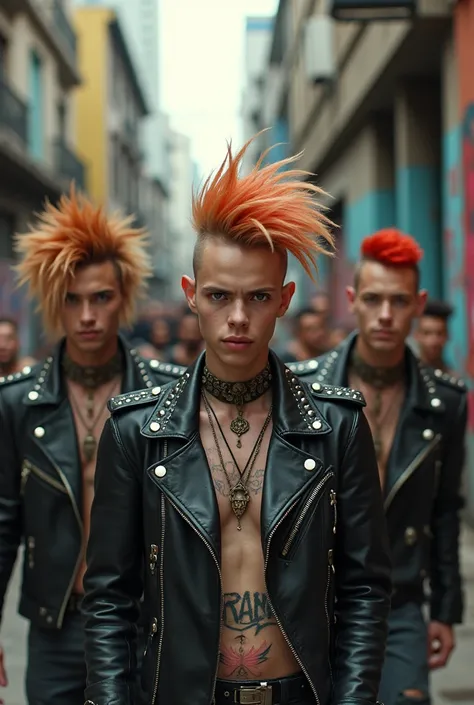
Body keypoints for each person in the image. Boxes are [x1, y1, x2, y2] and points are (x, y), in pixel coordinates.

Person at [82, 138, 392, 705]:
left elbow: (365, 587)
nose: (239, 318)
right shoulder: (135, 433)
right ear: (191, 296)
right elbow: (109, 597)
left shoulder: (337, 425)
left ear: (284, 300)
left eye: (259, 296)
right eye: (220, 296)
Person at [0, 190, 184, 705]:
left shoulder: (167, 397)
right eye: (72, 299)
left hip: (145, 621)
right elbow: (3, 521)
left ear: (123, 296)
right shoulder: (18, 403)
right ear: (51, 301)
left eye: (100, 297)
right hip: (56, 625)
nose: (87, 315)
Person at [289, 228, 467, 705]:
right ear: (352, 299)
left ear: (418, 303)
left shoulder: (444, 402)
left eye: (398, 300)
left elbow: (446, 507)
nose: (385, 315)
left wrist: (446, 610)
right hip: (312, 600)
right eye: (372, 299)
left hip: (400, 600)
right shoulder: (302, 390)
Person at [413, 299, 454, 373]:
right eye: (427, 333)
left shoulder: (454, 381)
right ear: (416, 335)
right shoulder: (407, 377)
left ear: (447, 336)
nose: (433, 341)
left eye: (439, 333)